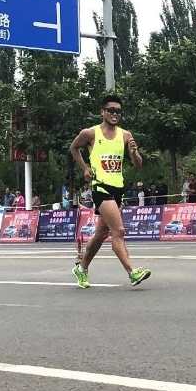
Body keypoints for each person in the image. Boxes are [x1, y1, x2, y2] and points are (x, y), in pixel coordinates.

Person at [69, 94, 151, 289]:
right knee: (118, 231)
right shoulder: (90, 133)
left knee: (101, 233)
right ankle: (132, 272)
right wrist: (85, 168)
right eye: (111, 110)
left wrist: (134, 152)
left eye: (118, 111)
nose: (115, 114)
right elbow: (74, 148)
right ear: (103, 112)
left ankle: (82, 268)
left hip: (117, 188)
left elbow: (138, 165)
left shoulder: (126, 135)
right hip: (100, 187)